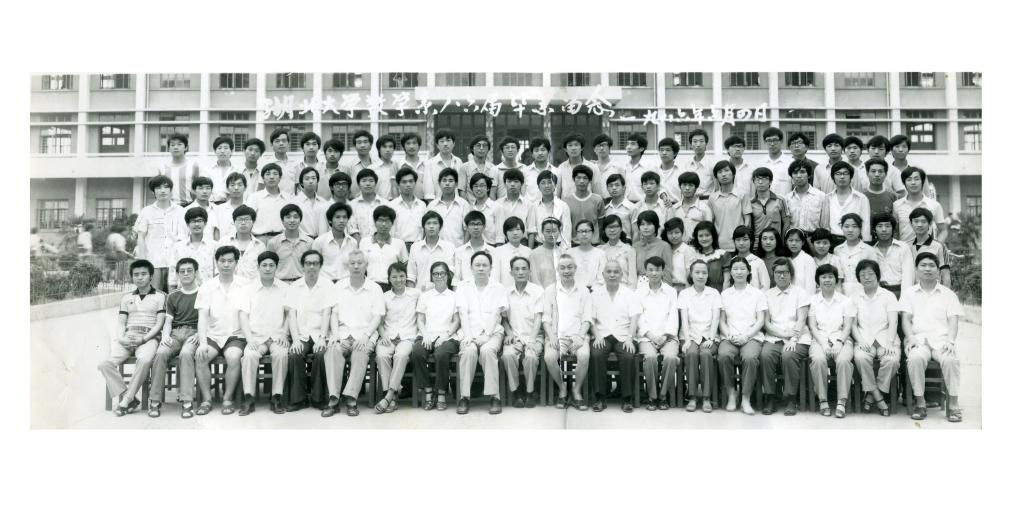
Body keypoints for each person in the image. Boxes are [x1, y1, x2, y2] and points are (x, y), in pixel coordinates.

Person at [901, 252, 965, 422]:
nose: (927, 269)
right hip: (918, 340)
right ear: (916, 269)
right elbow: (906, 319)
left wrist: (951, 341)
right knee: (914, 358)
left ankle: (953, 405)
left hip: (942, 340)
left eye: (931, 265)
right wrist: (910, 337)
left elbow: (953, 320)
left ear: (938, 270)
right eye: (923, 265)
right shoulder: (908, 293)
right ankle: (920, 403)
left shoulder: (948, 294)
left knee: (951, 360)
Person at [98, 259, 166, 416]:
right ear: (132, 277)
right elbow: (121, 323)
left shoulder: (160, 296)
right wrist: (121, 338)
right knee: (105, 365)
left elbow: (159, 324)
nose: (140, 277)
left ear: (151, 276)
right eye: (136, 275)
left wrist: (144, 339)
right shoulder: (126, 297)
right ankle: (131, 398)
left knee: (144, 360)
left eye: (143, 274)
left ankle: (126, 400)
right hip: (128, 337)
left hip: (149, 338)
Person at [323, 250, 386, 417]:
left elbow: (378, 316)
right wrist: (335, 334)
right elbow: (334, 313)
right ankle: (334, 399)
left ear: (366, 265)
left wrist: (366, 336)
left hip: (365, 334)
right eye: (353, 263)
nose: (356, 266)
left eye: (360, 263)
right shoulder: (339, 286)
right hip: (342, 333)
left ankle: (351, 399)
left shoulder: (375, 288)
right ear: (348, 265)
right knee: (332, 351)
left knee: (360, 352)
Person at [194, 245, 248, 415]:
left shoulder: (245, 285)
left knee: (233, 357)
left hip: (235, 335)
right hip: (213, 335)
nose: (226, 264)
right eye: (222, 261)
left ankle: (227, 398)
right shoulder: (207, 287)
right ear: (216, 262)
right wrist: (203, 343)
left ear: (236, 263)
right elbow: (202, 318)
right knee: (201, 357)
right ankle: (206, 400)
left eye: (230, 261)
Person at [237, 251, 291, 416]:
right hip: (256, 337)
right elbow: (243, 316)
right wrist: (249, 339)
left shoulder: (285, 288)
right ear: (258, 267)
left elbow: (290, 314)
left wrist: (285, 334)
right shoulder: (248, 289)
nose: (268, 269)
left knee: (281, 355)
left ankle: (276, 397)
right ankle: (249, 398)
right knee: (249, 356)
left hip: (277, 337)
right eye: (264, 265)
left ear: (276, 267)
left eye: (271, 265)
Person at [455, 251, 509, 415]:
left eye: (484, 265)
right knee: (468, 351)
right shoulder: (463, 286)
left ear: (491, 268)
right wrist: (468, 336)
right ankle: (464, 397)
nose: (481, 268)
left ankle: (494, 397)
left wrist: (486, 335)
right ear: (471, 268)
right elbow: (463, 313)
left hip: (492, 332)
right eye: (477, 265)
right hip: (468, 331)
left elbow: (496, 314)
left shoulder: (498, 287)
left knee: (487, 350)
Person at [760, 258, 812, 416]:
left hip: (798, 337)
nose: (781, 276)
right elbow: (766, 323)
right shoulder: (766, 295)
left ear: (791, 274)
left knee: (788, 355)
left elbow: (801, 320)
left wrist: (793, 339)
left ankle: (791, 398)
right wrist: (783, 334)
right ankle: (770, 397)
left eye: (785, 272)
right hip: (774, 336)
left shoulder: (800, 293)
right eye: (778, 272)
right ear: (773, 275)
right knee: (765, 355)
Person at [284, 250, 333, 412]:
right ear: (303, 265)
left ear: (320, 266)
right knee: (295, 354)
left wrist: (322, 338)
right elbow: (291, 314)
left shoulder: (327, 285)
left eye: (315, 263)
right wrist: (295, 340)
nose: (311, 267)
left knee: (321, 354)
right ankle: (299, 399)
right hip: (302, 335)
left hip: (320, 333)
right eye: (308, 263)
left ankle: (319, 399)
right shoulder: (294, 287)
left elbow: (327, 313)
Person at [151, 258, 201, 418]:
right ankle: (155, 401)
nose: (186, 274)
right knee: (161, 353)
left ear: (196, 272)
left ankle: (187, 402)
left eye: (189, 270)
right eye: (182, 271)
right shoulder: (173, 296)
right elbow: (168, 321)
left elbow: (208, 320)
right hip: (175, 333)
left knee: (186, 354)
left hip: (194, 333)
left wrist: (199, 334)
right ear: (178, 274)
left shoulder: (203, 293)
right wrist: (165, 336)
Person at [718, 256, 768, 415]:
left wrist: (746, 336)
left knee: (750, 358)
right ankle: (732, 394)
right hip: (730, 336)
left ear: (748, 271)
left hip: (752, 336)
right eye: (735, 269)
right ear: (731, 273)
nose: (739, 272)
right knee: (724, 356)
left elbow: (760, 320)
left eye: (742, 268)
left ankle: (746, 398)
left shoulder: (757, 294)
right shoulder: (725, 294)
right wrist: (729, 334)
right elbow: (722, 321)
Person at [850, 259, 900, 417]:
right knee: (860, 358)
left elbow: (893, 322)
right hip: (864, 338)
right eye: (863, 274)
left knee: (892, 360)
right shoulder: (854, 298)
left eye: (870, 274)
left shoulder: (888, 296)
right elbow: (852, 325)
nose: (867, 277)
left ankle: (871, 395)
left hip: (886, 337)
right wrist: (860, 341)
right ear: (858, 278)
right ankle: (878, 396)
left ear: (877, 275)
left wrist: (890, 343)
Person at [589, 259, 641, 413]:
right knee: (596, 354)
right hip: (602, 335)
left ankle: (626, 398)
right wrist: (597, 336)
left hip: (624, 335)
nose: (612, 275)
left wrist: (630, 338)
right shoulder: (595, 294)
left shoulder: (629, 294)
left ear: (621, 274)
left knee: (628, 355)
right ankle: (600, 397)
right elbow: (590, 319)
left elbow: (634, 319)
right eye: (609, 272)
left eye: (616, 272)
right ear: (603, 274)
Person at [542, 254, 593, 410]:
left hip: (578, 335)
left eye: (569, 267)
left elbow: (587, 318)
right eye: (562, 268)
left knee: (584, 355)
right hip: (557, 336)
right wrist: (552, 337)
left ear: (575, 268)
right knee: (549, 357)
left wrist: (581, 336)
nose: (566, 271)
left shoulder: (583, 290)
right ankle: (563, 388)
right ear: (557, 270)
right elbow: (546, 318)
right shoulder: (551, 290)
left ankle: (576, 391)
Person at [806, 263, 855, 417]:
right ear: (818, 281)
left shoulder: (846, 301)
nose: (827, 280)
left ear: (836, 280)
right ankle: (822, 400)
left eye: (830, 277)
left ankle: (841, 401)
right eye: (823, 277)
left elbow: (847, 327)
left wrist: (839, 342)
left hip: (842, 339)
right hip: (819, 339)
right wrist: (822, 343)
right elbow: (812, 326)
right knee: (818, 360)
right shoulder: (812, 301)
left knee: (843, 361)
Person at [412, 261, 461, 411]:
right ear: (431, 277)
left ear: (448, 276)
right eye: (435, 274)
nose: (439, 276)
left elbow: (457, 321)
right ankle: (428, 391)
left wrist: (445, 336)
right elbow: (420, 320)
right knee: (417, 352)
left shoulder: (454, 296)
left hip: (448, 336)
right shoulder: (425, 296)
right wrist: (425, 335)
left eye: (442, 273)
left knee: (441, 354)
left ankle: (441, 393)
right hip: (427, 334)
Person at [500, 256, 546, 408]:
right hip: (514, 336)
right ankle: (516, 392)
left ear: (529, 271)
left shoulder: (538, 291)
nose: (520, 272)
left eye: (524, 268)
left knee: (531, 357)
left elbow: (538, 317)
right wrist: (509, 333)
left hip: (534, 335)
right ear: (511, 272)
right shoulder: (506, 292)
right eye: (517, 269)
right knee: (507, 355)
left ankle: (529, 392)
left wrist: (532, 340)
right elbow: (503, 318)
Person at [374, 263, 420, 413]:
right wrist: (383, 335)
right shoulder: (384, 297)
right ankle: (392, 396)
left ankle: (388, 396)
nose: (398, 280)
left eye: (401, 276)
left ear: (406, 277)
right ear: (389, 279)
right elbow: (379, 321)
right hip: (388, 336)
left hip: (408, 337)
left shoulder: (415, 294)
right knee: (381, 355)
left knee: (401, 355)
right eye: (394, 276)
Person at [636, 257, 680, 410]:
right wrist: (651, 336)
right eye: (651, 270)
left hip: (668, 337)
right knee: (650, 358)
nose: (654, 273)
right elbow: (639, 318)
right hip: (647, 337)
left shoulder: (671, 292)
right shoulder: (639, 292)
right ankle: (652, 396)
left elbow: (673, 316)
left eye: (657, 269)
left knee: (671, 358)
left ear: (663, 271)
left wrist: (665, 336)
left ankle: (663, 396)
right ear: (646, 272)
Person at [678, 259, 722, 413]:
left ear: (708, 275)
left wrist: (711, 339)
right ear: (691, 274)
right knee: (690, 353)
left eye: (704, 272)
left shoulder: (714, 293)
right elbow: (684, 319)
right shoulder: (684, 294)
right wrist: (687, 340)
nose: (701, 275)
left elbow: (716, 318)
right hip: (689, 335)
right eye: (697, 272)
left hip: (709, 335)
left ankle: (706, 397)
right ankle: (692, 396)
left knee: (706, 354)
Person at [135, 175, 186, 293]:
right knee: (154, 296)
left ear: (171, 190)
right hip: (154, 262)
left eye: (166, 187)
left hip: (175, 262)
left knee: (175, 296)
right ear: (153, 192)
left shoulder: (181, 211)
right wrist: (143, 261)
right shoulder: (146, 212)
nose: (163, 191)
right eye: (158, 188)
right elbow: (141, 237)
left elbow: (184, 238)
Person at [359, 205, 408, 290]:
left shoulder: (399, 243)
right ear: (375, 222)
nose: (384, 224)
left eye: (387, 221)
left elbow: (405, 267)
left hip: (392, 288)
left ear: (392, 223)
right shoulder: (364, 242)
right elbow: (360, 267)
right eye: (381, 220)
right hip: (370, 286)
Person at [894, 166, 948, 243]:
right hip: (904, 249)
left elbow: (943, 230)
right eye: (909, 180)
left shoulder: (934, 205)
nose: (913, 183)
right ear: (904, 183)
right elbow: (895, 231)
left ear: (922, 181)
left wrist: (937, 246)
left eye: (916, 179)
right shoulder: (897, 205)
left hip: (926, 249)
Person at [708, 160, 753, 251]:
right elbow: (710, 222)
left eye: (726, 170)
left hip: (739, 245)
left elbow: (747, 220)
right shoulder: (712, 198)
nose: (723, 174)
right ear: (716, 176)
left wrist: (743, 240)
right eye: (720, 172)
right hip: (719, 245)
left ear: (733, 174)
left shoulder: (742, 194)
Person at [406, 211, 457, 291]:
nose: (431, 226)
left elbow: (451, 274)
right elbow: (411, 276)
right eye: (428, 223)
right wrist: (412, 295)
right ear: (423, 226)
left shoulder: (449, 247)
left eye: (435, 223)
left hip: (442, 293)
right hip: (420, 293)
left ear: (440, 226)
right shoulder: (415, 247)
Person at [311, 202, 358, 284]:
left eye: (344, 217)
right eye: (337, 217)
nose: (341, 221)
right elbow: (314, 266)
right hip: (326, 284)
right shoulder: (320, 242)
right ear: (330, 220)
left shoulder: (353, 242)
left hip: (346, 284)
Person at [169, 207, 216, 288]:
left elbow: (218, 274)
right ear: (187, 224)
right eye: (193, 221)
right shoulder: (178, 247)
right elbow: (172, 277)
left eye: (200, 221)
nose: (197, 224)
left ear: (205, 223)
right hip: (184, 292)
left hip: (208, 291)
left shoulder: (214, 246)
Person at [218, 205, 266, 284]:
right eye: (240, 220)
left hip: (252, 287)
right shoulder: (224, 242)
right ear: (234, 222)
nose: (243, 223)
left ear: (253, 222)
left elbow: (263, 270)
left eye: (246, 219)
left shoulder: (260, 246)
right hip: (229, 286)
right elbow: (217, 268)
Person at [266, 204, 313, 283]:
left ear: (300, 220)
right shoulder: (273, 243)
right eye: (288, 217)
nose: (292, 220)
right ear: (282, 221)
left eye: (296, 217)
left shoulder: (309, 242)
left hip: (302, 284)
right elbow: (269, 266)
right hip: (280, 283)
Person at [826, 161, 872, 244]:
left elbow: (866, 223)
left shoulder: (861, 198)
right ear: (833, 177)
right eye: (838, 173)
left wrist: (865, 244)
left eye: (845, 173)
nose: (842, 177)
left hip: (854, 240)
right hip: (832, 240)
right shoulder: (827, 198)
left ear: (851, 177)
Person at [871, 212, 915, 298]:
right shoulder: (871, 251)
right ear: (874, 230)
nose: (884, 229)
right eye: (880, 226)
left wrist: (905, 300)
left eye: (887, 226)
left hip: (899, 292)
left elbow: (908, 276)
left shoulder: (903, 247)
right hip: (879, 294)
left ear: (893, 229)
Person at [907, 207, 952, 287]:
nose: (919, 225)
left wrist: (946, 293)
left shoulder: (939, 246)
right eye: (916, 221)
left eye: (923, 221)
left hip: (933, 291)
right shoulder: (907, 247)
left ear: (930, 223)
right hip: (912, 292)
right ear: (911, 224)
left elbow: (946, 276)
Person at [833, 213, 876, 296]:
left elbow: (874, 275)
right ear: (842, 228)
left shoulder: (869, 250)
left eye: (854, 226)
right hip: (842, 293)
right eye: (846, 226)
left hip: (863, 292)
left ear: (860, 228)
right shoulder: (837, 250)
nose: (850, 230)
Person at [425, 168, 471, 245]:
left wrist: (463, 248)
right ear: (439, 183)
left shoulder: (464, 204)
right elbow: (426, 228)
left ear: (456, 184)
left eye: (450, 181)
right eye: (444, 180)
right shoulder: (432, 206)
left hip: (457, 248)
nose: (447, 183)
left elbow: (468, 230)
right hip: (437, 249)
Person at [245, 163, 288, 243]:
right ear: (263, 178)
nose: (271, 177)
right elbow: (247, 219)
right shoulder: (254, 197)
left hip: (283, 239)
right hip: (260, 239)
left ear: (280, 178)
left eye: (275, 174)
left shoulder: (288, 198)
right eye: (268, 174)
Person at [529, 170, 572, 248]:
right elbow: (532, 230)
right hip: (539, 246)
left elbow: (566, 232)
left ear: (555, 185)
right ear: (538, 187)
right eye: (543, 183)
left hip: (558, 247)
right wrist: (530, 251)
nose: (546, 186)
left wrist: (564, 251)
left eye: (550, 182)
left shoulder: (563, 206)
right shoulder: (534, 206)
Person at [785, 158, 830, 235]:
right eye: (795, 173)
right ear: (791, 176)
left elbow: (825, 225)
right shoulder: (787, 198)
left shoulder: (821, 196)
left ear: (809, 175)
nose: (799, 176)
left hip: (814, 238)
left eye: (802, 172)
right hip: (794, 239)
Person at [453, 210, 497, 284]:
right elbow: (456, 279)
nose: (476, 227)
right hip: (465, 289)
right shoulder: (459, 251)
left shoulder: (493, 251)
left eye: (479, 224)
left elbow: (494, 277)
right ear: (466, 227)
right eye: (472, 224)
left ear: (484, 227)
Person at [157, 133, 202, 206]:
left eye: (179, 144)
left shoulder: (193, 166)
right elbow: (158, 189)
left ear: (186, 147)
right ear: (168, 148)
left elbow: (199, 188)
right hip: (169, 206)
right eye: (172, 145)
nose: (176, 147)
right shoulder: (162, 168)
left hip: (189, 205)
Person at [494, 169, 536, 246]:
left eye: (516, 181)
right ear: (504, 184)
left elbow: (531, 230)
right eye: (509, 181)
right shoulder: (497, 204)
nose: (512, 184)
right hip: (503, 244)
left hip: (523, 244)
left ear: (522, 184)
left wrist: (529, 250)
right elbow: (497, 230)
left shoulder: (528, 204)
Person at [633, 210, 674, 288]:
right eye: (642, 224)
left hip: (658, 286)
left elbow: (667, 273)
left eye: (649, 224)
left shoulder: (664, 246)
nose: (645, 227)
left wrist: (666, 291)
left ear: (656, 226)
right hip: (637, 287)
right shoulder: (635, 246)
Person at [566, 165, 605, 245]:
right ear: (573, 179)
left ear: (590, 180)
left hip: (593, 243)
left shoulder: (598, 200)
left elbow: (601, 224)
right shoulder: (566, 201)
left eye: (585, 178)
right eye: (578, 178)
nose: (581, 181)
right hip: (574, 244)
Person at [750, 166, 791, 241]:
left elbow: (786, 223)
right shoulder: (750, 203)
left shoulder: (780, 200)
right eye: (757, 179)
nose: (760, 182)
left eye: (764, 179)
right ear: (753, 182)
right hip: (757, 243)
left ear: (770, 181)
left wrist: (782, 241)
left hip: (775, 242)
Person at [390, 167, 427, 248]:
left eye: (411, 181)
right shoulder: (392, 205)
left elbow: (425, 228)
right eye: (404, 182)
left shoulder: (422, 205)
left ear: (415, 183)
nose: (408, 185)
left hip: (418, 247)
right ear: (398, 184)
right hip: (398, 247)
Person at [290, 167, 331, 239]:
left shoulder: (324, 202)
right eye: (307, 179)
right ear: (301, 183)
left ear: (317, 181)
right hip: (302, 240)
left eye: (313, 178)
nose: (311, 181)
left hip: (321, 240)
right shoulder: (294, 203)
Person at [690, 221, 731, 292]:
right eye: (701, 236)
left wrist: (723, 296)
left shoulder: (722, 254)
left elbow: (727, 281)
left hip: (719, 294)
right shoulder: (694, 255)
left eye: (707, 235)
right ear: (697, 238)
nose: (704, 239)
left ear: (713, 236)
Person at [724, 226, 768, 290]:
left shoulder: (758, 262)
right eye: (738, 240)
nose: (741, 243)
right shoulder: (731, 262)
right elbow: (727, 283)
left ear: (751, 241)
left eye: (745, 239)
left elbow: (765, 286)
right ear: (734, 242)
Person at [672, 171, 714, 238]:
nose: (687, 188)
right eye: (684, 185)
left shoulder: (704, 208)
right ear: (679, 186)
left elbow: (709, 231)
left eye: (691, 185)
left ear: (696, 188)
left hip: (698, 243)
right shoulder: (674, 208)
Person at [556, 133, 598, 199]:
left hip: (587, 204)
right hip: (566, 205)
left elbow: (598, 195)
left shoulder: (592, 167)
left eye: (576, 145)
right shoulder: (561, 168)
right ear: (565, 149)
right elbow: (557, 194)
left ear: (582, 148)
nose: (573, 148)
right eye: (570, 145)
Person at [425, 129, 463, 203]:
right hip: (437, 204)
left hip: (457, 204)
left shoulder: (459, 162)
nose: (445, 144)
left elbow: (461, 186)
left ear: (454, 143)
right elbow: (428, 192)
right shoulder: (430, 163)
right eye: (442, 141)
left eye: (448, 140)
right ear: (437, 145)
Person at [599, 214, 637, 288]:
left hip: (624, 290)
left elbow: (632, 278)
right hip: (603, 290)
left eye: (615, 226)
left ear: (621, 228)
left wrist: (630, 293)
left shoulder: (629, 250)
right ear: (604, 230)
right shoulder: (600, 250)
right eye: (609, 227)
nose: (612, 230)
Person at [350, 168, 388, 240]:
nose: (368, 184)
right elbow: (353, 229)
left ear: (375, 184)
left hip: (382, 243)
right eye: (364, 181)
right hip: (360, 244)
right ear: (358, 184)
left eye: (371, 181)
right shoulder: (352, 205)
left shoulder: (385, 204)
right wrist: (361, 244)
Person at [630, 171, 670, 240]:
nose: (648, 186)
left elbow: (669, 230)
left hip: (661, 243)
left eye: (652, 183)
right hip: (642, 244)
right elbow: (636, 232)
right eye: (645, 184)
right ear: (642, 187)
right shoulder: (636, 207)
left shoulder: (666, 206)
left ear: (658, 186)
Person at [494, 217, 532, 287]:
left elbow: (531, 276)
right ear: (505, 233)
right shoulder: (498, 251)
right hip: (504, 291)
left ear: (523, 231)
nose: (515, 233)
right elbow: (495, 277)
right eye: (511, 230)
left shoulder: (528, 251)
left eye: (518, 229)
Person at [567, 220, 606, 289]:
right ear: (576, 234)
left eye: (587, 231)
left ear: (593, 233)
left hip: (594, 292)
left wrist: (591, 291)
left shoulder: (601, 254)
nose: (584, 234)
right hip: (573, 291)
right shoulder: (569, 253)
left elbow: (602, 279)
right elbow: (566, 275)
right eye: (581, 231)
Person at [529, 217, 565, 288]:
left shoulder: (563, 253)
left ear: (559, 232)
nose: (551, 234)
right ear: (542, 232)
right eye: (548, 231)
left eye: (554, 231)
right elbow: (534, 279)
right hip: (541, 292)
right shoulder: (534, 254)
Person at [662, 217, 696, 291]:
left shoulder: (687, 250)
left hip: (683, 288)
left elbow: (690, 273)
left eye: (677, 232)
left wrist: (686, 292)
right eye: (670, 233)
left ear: (682, 233)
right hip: (667, 289)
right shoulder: (665, 249)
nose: (674, 236)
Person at [460, 135, 498, 200]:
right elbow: (462, 191)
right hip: (470, 205)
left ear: (488, 149)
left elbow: (493, 192)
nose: (481, 148)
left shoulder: (493, 168)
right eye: (478, 145)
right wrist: (466, 205)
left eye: (484, 145)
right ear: (472, 148)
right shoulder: (464, 167)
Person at [285, 132, 323, 197]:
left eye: (314, 144)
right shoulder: (295, 167)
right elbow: (292, 190)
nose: (311, 147)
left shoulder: (324, 166)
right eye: (307, 144)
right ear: (302, 147)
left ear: (319, 147)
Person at [466, 173, 500, 245]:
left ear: (488, 188)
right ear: (472, 189)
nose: (478, 188)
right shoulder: (470, 208)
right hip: (474, 247)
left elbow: (500, 236)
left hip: (492, 247)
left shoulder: (496, 207)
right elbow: (468, 232)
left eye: (482, 186)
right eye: (476, 186)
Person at [185, 176, 221, 242]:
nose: (204, 191)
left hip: (214, 246)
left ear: (211, 191)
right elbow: (184, 234)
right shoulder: (186, 210)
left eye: (208, 188)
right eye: (200, 188)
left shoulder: (218, 209)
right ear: (194, 191)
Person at [603, 173, 637, 242]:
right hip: (610, 244)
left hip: (627, 243)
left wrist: (633, 247)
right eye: (611, 186)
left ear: (624, 188)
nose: (614, 188)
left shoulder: (632, 207)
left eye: (617, 185)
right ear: (607, 189)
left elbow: (636, 232)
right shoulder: (605, 209)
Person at [215, 172, 248, 240]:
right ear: (227, 188)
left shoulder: (251, 207)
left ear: (245, 188)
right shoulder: (219, 209)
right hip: (224, 245)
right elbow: (216, 232)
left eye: (239, 185)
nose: (236, 188)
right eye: (232, 185)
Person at [784, 228, 818, 294]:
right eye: (790, 240)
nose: (794, 243)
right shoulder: (784, 259)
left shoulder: (808, 260)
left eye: (797, 240)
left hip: (803, 298)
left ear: (803, 242)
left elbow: (811, 286)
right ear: (786, 242)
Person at [494, 136, 529, 200]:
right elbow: (492, 194)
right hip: (501, 205)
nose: (510, 150)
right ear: (502, 151)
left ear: (518, 150)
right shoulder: (495, 170)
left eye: (513, 147)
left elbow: (526, 191)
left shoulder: (524, 168)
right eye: (507, 147)